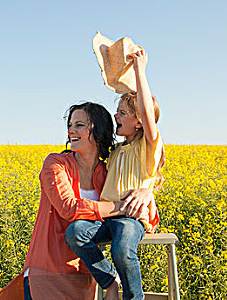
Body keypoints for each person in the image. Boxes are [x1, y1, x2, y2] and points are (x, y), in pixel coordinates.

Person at [0, 102, 131, 300]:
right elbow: (68, 208)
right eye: (70, 125)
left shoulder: (107, 173)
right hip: (47, 272)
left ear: (99, 130)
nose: (71, 131)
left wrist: (144, 196)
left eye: (79, 125)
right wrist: (120, 207)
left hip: (86, 277)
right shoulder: (56, 163)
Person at [65, 50, 164, 300]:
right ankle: (110, 279)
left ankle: (134, 298)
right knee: (75, 233)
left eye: (122, 113)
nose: (116, 116)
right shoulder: (116, 150)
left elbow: (148, 114)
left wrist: (140, 71)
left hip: (130, 218)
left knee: (122, 249)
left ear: (139, 121)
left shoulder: (147, 148)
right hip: (107, 215)